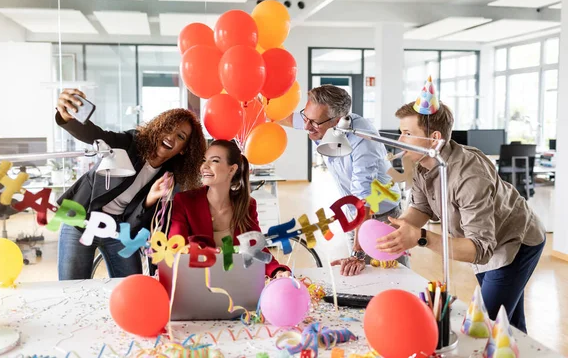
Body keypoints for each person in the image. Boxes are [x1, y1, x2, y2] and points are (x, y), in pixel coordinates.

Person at [376, 101, 546, 333]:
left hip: (514, 242)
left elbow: (481, 250)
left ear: (434, 139)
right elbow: (421, 208)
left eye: (407, 133)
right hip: (484, 240)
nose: (400, 140)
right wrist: (392, 233)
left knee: (484, 325)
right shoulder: (420, 163)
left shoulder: (469, 176)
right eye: (400, 133)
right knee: (507, 324)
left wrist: (421, 237)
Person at [55, 89, 206, 280]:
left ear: (184, 150)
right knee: (71, 289)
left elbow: (139, 225)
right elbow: (97, 135)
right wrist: (67, 118)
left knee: (132, 284)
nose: (171, 136)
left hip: (118, 230)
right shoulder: (131, 143)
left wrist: (150, 200)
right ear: (159, 128)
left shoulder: (169, 179)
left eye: (181, 137)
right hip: (80, 218)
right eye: (169, 128)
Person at [281, 84, 405, 276]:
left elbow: (363, 202)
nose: (306, 126)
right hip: (353, 216)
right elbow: (290, 119)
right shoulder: (321, 121)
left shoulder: (363, 142)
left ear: (338, 121)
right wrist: (257, 109)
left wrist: (358, 253)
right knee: (361, 280)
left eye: (314, 122)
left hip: (381, 219)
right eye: (306, 117)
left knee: (394, 280)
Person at [146, 139, 290, 278]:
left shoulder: (247, 205)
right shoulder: (184, 202)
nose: (204, 166)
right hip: (195, 283)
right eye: (204, 160)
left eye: (214, 161)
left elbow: (256, 248)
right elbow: (176, 247)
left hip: (234, 284)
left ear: (232, 169)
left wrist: (277, 271)